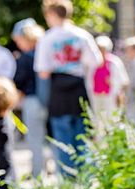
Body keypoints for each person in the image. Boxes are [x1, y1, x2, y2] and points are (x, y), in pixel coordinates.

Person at [35, 0, 102, 175]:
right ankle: (89, 182)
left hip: (58, 92)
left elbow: (42, 71)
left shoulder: (47, 38)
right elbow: (96, 62)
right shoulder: (82, 35)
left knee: (63, 144)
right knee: (83, 140)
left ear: (51, 14)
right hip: (79, 89)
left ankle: (69, 185)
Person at [12, 18, 48, 178]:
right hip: (51, 101)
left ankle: (38, 174)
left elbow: (18, 83)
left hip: (32, 101)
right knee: (51, 140)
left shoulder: (25, 58)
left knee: (35, 139)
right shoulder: (46, 53)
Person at [88, 35, 128, 131]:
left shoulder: (114, 61)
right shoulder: (92, 62)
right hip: (96, 96)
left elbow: (124, 80)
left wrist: (112, 82)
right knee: (97, 120)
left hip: (110, 96)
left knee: (112, 119)